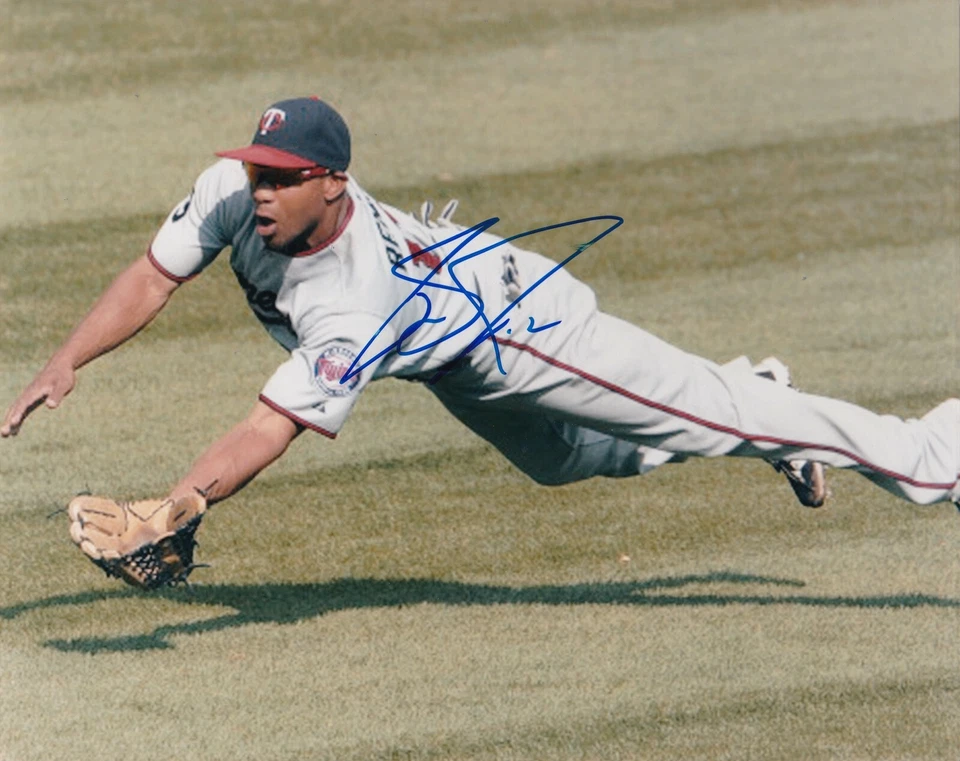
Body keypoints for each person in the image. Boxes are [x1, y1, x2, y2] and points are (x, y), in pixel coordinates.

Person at [3, 97, 957, 515]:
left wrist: (178, 502)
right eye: (259, 170)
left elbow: (267, 426)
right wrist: (67, 358)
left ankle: (930, 457)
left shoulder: (353, 299)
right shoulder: (229, 189)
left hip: (527, 328)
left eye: (284, 177)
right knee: (563, 463)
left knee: (718, 413)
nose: (261, 190)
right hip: (457, 357)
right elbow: (153, 275)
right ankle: (763, 396)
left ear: (333, 182)